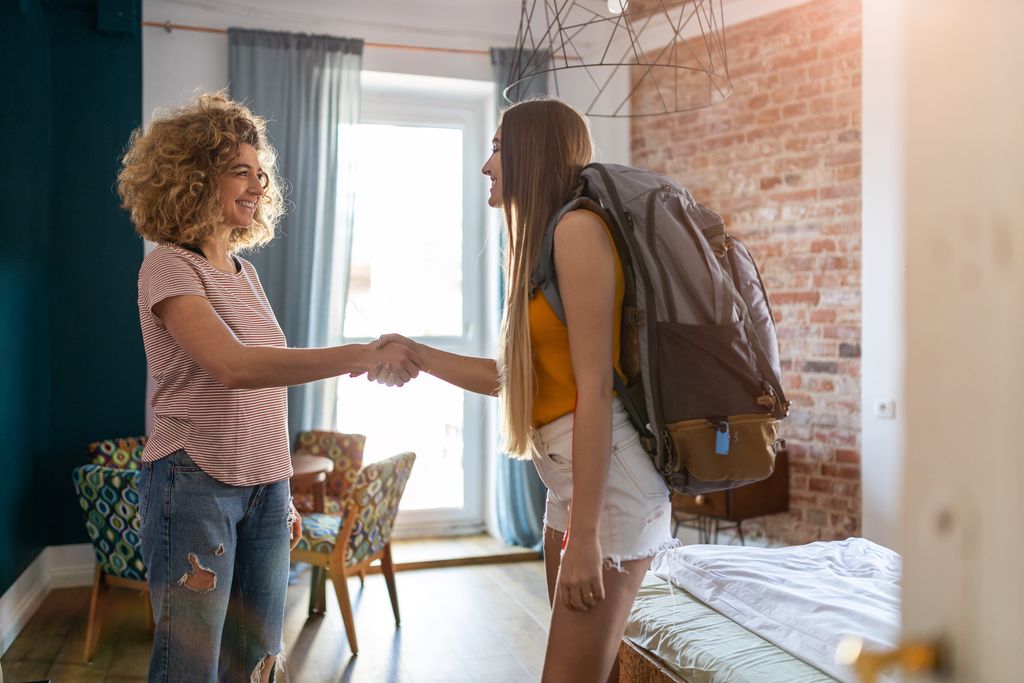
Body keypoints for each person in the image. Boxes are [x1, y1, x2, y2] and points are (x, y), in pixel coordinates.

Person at [117, 92, 420, 683]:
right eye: (240, 172)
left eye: (261, 174)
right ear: (194, 177)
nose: (257, 186)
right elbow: (236, 366)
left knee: (257, 664)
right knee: (190, 667)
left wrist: (278, 492)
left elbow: (265, 394)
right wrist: (360, 354)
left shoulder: (245, 273)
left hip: (264, 489)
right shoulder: (168, 267)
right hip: (194, 481)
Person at [376, 97, 676, 682]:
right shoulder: (540, 243)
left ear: (531, 153)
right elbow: (517, 381)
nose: (487, 166)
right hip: (572, 484)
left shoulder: (577, 231)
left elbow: (593, 389)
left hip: (607, 490)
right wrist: (418, 353)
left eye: (496, 149)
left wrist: (585, 538)